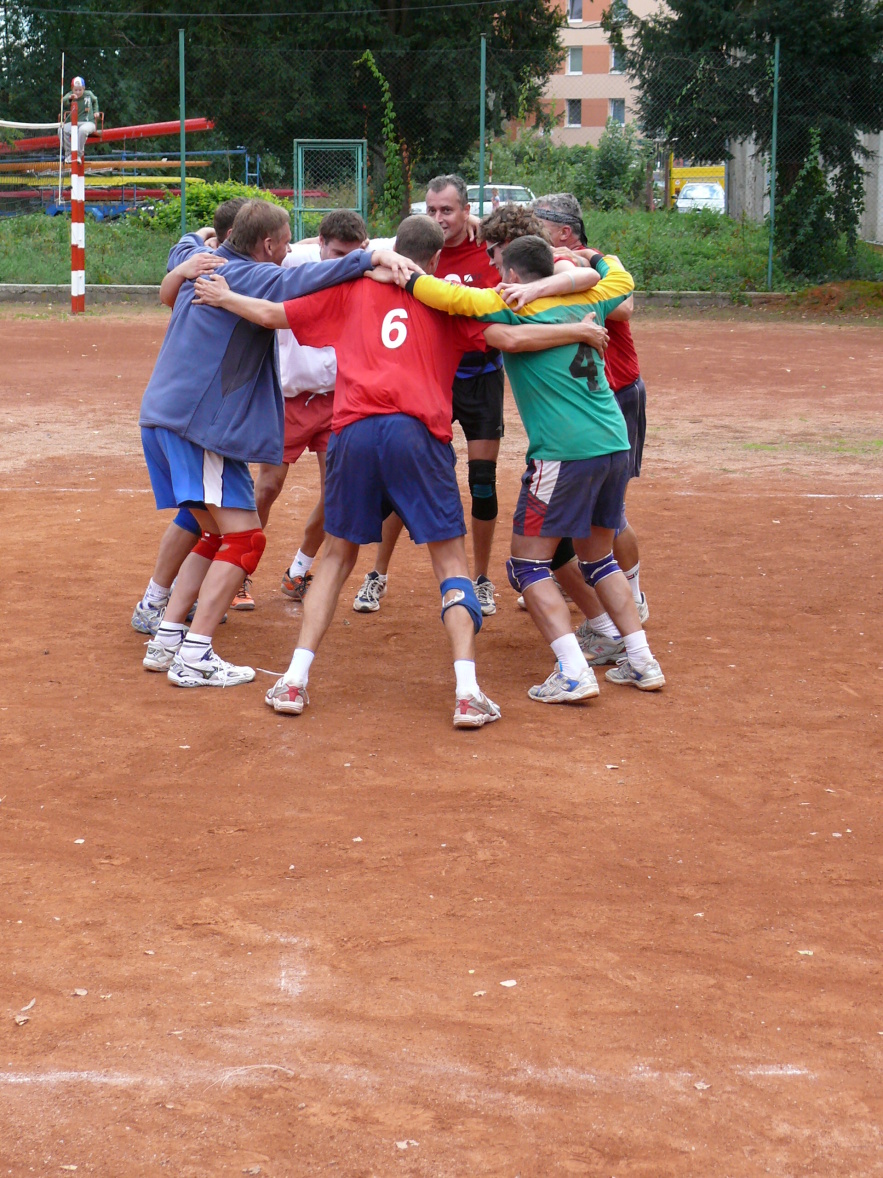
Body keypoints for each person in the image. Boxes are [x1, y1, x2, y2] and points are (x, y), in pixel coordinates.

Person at [192, 215, 610, 724]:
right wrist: (579, 327)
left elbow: (272, 314)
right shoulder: (444, 295)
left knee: (338, 558)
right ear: (434, 261)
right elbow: (507, 338)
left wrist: (224, 297)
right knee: (450, 563)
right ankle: (466, 692)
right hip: (418, 433)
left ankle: (294, 680)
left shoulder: (352, 289)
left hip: (354, 431)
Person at [138, 197, 418, 688]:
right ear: (267, 244)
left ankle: (166, 642)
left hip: (167, 420)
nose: (290, 251)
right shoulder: (248, 276)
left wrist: (196, 242)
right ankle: (195, 653)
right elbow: (300, 282)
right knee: (246, 539)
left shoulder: (201, 258)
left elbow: (188, 240)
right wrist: (370, 258)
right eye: (286, 242)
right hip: (195, 427)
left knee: (215, 531)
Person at [404, 235, 665, 698]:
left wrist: (402, 272)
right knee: (598, 556)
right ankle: (643, 662)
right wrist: (596, 258)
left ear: (514, 276)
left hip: (564, 451)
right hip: (612, 442)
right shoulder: (588, 296)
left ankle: (573, 670)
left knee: (527, 565)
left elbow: (443, 294)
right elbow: (621, 278)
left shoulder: (510, 303)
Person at [352, 174, 504, 618]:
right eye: (432, 210)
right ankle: (377, 574)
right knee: (404, 478)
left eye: (448, 210)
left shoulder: (489, 247)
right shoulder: (407, 247)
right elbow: (347, 252)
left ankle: (481, 578)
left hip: (480, 377)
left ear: (466, 211)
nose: (438, 218)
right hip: (428, 378)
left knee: (482, 483)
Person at [528, 191, 651, 662]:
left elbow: (622, 307)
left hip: (617, 393)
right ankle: (606, 600)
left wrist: (578, 268)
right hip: (585, 401)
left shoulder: (601, 263)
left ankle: (631, 597)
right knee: (593, 514)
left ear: (564, 231)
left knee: (608, 510)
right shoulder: (550, 264)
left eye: (538, 224)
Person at [248, 211, 387, 607]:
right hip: (289, 400)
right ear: (321, 243)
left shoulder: (366, 261)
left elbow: (409, 240)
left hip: (337, 400)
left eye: (353, 254)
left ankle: (298, 571)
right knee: (267, 488)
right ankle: (239, 569)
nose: (345, 262)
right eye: (336, 252)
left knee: (337, 495)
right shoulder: (294, 263)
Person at [131, 197, 246, 636]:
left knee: (195, 513)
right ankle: (166, 611)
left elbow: (179, 259)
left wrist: (198, 241)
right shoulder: (225, 274)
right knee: (227, 528)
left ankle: (159, 600)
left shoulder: (195, 259)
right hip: (195, 418)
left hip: (178, 412)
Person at [59, 77, 99, 162]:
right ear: (72, 89)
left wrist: (96, 111)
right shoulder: (70, 94)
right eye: (75, 90)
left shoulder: (89, 94)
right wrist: (70, 98)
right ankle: (69, 154)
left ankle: (78, 155)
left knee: (82, 130)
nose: (77, 92)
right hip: (74, 123)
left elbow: (95, 100)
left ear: (84, 88)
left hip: (88, 123)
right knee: (61, 130)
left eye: (80, 90)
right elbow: (63, 101)